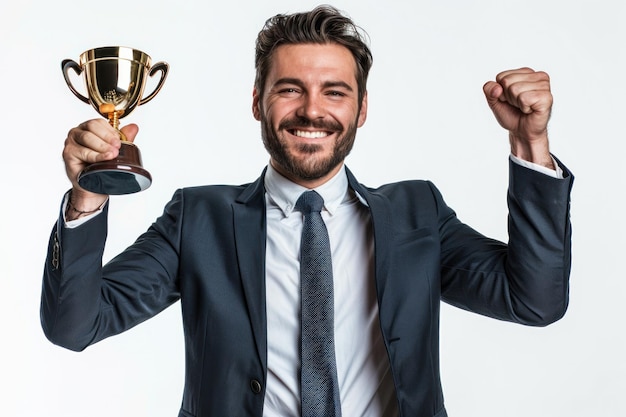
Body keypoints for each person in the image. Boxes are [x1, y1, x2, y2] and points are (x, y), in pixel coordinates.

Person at [41, 5, 574, 417]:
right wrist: (89, 192)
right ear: (258, 102)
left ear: (361, 109)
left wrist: (530, 144)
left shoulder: (418, 215)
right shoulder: (197, 218)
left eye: (335, 92)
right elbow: (75, 325)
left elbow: (533, 301)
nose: (312, 110)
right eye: (290, 89)